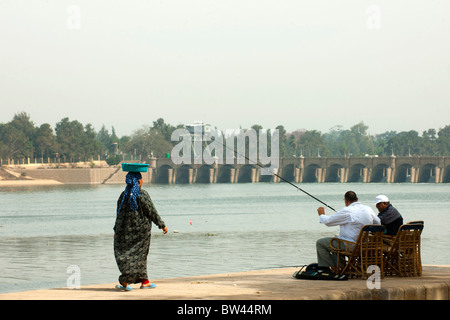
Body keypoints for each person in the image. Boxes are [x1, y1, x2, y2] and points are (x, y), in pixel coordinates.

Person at [114, 171, 168, 291]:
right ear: (138, 181)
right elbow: (151, 211)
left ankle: (141, 281)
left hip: (124, 232)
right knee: (141, 256)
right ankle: (135, 281)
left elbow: (118, 215)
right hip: (141, 232)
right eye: (141, 179)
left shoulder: (123, 196)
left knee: (125, 255)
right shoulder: (142, 195)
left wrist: (116, 230)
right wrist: (162, 225)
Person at [315, 191, 381, 273]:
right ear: (357, 199)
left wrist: (321, 215)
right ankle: (341, 266)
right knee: (336, 240)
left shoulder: (347, 211)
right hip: (365, 245)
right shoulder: (368, 209)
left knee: (320, 243)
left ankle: (332, 267)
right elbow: (378, 223)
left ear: (346, 201)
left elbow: (328, 222)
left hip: (351, 245)